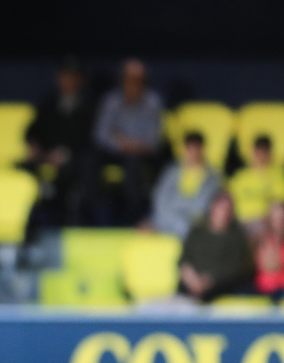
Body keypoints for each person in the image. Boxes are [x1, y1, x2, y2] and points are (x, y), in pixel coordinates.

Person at [25, 57, 96, 224]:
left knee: (76, 170)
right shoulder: (47, 104)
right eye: (64, 76)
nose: (67, 81)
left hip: (74, 159)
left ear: (81, 80)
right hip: (46, 157)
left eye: (72, 77)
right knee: (21, 168)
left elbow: (92, 141)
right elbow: (31, 133)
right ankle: (28, 224)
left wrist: (65, 155)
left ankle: (63, 221)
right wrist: (39, 151)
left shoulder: (91, 108)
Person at [93, 59, 164, 225]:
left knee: (134, 164)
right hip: (115, 151)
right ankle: (97, 216)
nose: (133, 84)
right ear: (122, 80)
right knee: (89, 160)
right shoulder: (111, 100)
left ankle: (134, 219)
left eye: (138, 80)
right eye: (128, 79)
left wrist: (131, 144)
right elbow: (101, 134)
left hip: (141, 154)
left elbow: (154, 141)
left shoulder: (153, 102)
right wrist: (120, 144)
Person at [178, 193, 254, 303]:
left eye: (227, 209)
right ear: (212, 207)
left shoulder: (237, 236)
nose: (224, 213)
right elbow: (183, 259)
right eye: (221, 208)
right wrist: (191, 278)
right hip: (189, 285)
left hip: (219, 288)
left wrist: (209, 280)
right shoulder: (197, 231)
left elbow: (237, 268)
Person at [151, 132, 221, 239]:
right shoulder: (171, 171)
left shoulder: (213, 176)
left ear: (202, 149)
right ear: (185, 149)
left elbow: (204, 205)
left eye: (196, 149)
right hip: (170, 219)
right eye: (190, 149)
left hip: (195, 222)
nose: (193, 153)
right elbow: (160, 198)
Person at [228, 135, 284, 229]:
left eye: (264, 151)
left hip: (264, 223)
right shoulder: (241, 176)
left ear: (270, 153)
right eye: (258, 151)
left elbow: (278, 201)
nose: (261, 155)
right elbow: (229, 197)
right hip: (239, 221)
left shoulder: (277, 174)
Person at [254, 202, 284, 299]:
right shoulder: (263, 240)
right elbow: (269, 265)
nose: (279, 221)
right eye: (276, 217)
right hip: (265, 290)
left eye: (281, 217)